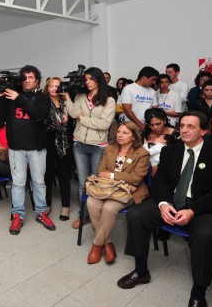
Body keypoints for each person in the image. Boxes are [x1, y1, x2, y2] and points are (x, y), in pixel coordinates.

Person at [117, 111, 212, 307]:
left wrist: (192, 210)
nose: (185, 130)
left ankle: (198, 294)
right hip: (171, 200)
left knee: (206, 234)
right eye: (182, 126)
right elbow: (160, 183)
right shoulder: (170, 151)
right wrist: (163, 204)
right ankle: (141, 271)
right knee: (136, 215)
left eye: (191, 126)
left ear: (204, 131)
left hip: (201, 206)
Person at [0, 65, 55, 234]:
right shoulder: (12, 97)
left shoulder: (43, 98)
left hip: (37, 148)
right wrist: (1, 99)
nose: (27, 80)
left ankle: (41, 212)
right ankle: (17, 215)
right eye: (25, 77)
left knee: (38, 182)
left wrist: (18, 98)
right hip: (16, 148)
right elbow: (1, 118)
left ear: (37, 80)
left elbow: (38, 114)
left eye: (31, 77)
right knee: (18, 183)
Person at [86, 122, 150, 264]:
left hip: (130, 192)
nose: (120, 135)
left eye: (125, 133)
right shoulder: (110, 149)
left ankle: (96, 245)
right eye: (119, 132)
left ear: (134, 136)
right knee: (91, 202)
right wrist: (121, 179)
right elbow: (101, 171)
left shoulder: (142, 154)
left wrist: (112, 176)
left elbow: (136, 178)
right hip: (109, 189)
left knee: (109, 207)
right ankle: (107, 243)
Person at [62, 67, 116, 229]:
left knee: (96, 183)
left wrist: (82, 119)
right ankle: (84, 215)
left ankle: (96, 217)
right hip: (79, 144)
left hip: (98, 146)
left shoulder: (109, 100)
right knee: (81, 183)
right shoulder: (80, 96)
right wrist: (66, 98)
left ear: (98, 79)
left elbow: (104, 124)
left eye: (91, 79)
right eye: (86, 79)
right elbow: (73, 113)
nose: (88, 82)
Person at [43, 77, 74, 221]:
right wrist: (58, 124)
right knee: (47, 175)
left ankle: (65, 207)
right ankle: (47, 204)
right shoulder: (42, 102)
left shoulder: (66, 101)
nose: (55, 88)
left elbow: (73, 119)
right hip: (48, 141)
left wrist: (66, 124)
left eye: (57, 86)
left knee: (64, 175)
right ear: (47, 88)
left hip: (64, 142)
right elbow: (42, 123)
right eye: (51, 86)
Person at [120, 66, 159, 131]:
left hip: (148, 126)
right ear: (144, 78)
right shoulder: (129, 88)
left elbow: (155, 109)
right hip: (131, 125)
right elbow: (127, 110)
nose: (154, 82)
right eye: (153, 79)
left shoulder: (152, 91)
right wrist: (140, 125)